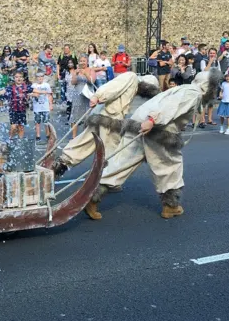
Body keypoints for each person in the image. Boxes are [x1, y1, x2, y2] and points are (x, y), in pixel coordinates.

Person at [84, 68, 222, 220]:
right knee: (170, 166)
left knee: (121, 162)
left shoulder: (184, 88)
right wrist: (152, 120)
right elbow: (170, 106)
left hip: (137, 123)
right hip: (158, 130)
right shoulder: (193, 93)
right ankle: (170, 206)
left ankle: (91, 198)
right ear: (209, 87)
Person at [53, 72, 160, 219]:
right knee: (109, 155)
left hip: (105, 118)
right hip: (109, 119)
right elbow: (113, 86)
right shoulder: (131, 78)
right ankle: (98, 189)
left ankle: (56, 170)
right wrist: (98, 96)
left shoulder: (134, 86)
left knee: (84, 145)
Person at [68, 56, 94, 138]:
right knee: (75, 115)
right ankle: (74, 137)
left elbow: (92, 81)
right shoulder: (76, 71)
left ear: (87, 62)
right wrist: (75, 74)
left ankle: (85, 136)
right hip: (77, 94)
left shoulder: (91, 70)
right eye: (81, 61)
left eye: (84, 61)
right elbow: (73, 82)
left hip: (87, 94)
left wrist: (85, 73)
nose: (82, 62)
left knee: (87, 115)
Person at [4, 71, 33, 139]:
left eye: (20, 77)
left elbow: (35, 91)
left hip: (22, 110)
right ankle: (10, 138)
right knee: (13, 126)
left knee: (21, 126)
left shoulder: (26, 87)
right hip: (13, 109)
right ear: (14, 79)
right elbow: (2, 92)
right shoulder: (11, 87)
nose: (18, 78)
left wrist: (45, 92)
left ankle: (21, 141)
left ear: (23, 78)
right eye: (16, 77)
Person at [30, 72, 53, 142]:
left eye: (41, 77)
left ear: (43, 77)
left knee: (46, 122)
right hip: (37, 107)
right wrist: (42, 92)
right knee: (37, 122)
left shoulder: (46, 85)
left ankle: (48, 134)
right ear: (36, 78)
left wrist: (51, 104)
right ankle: (38, 135)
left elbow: (49, 95)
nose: (40, 78)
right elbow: (33, 92)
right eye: (38, 77)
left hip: (45, 106)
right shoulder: (34, 85)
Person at [201, 48, 220, 127]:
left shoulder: (217, 62)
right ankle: (202, 120)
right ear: (208, 54)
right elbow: (204, 70)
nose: (212, 55)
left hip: (213, 84)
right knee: (204, 103)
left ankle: (209, 119)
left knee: (211, 103)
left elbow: (219, 72)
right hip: (205, 84)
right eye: (211, 53)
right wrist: (210, 62)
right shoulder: (203, 61)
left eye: (214, 53)